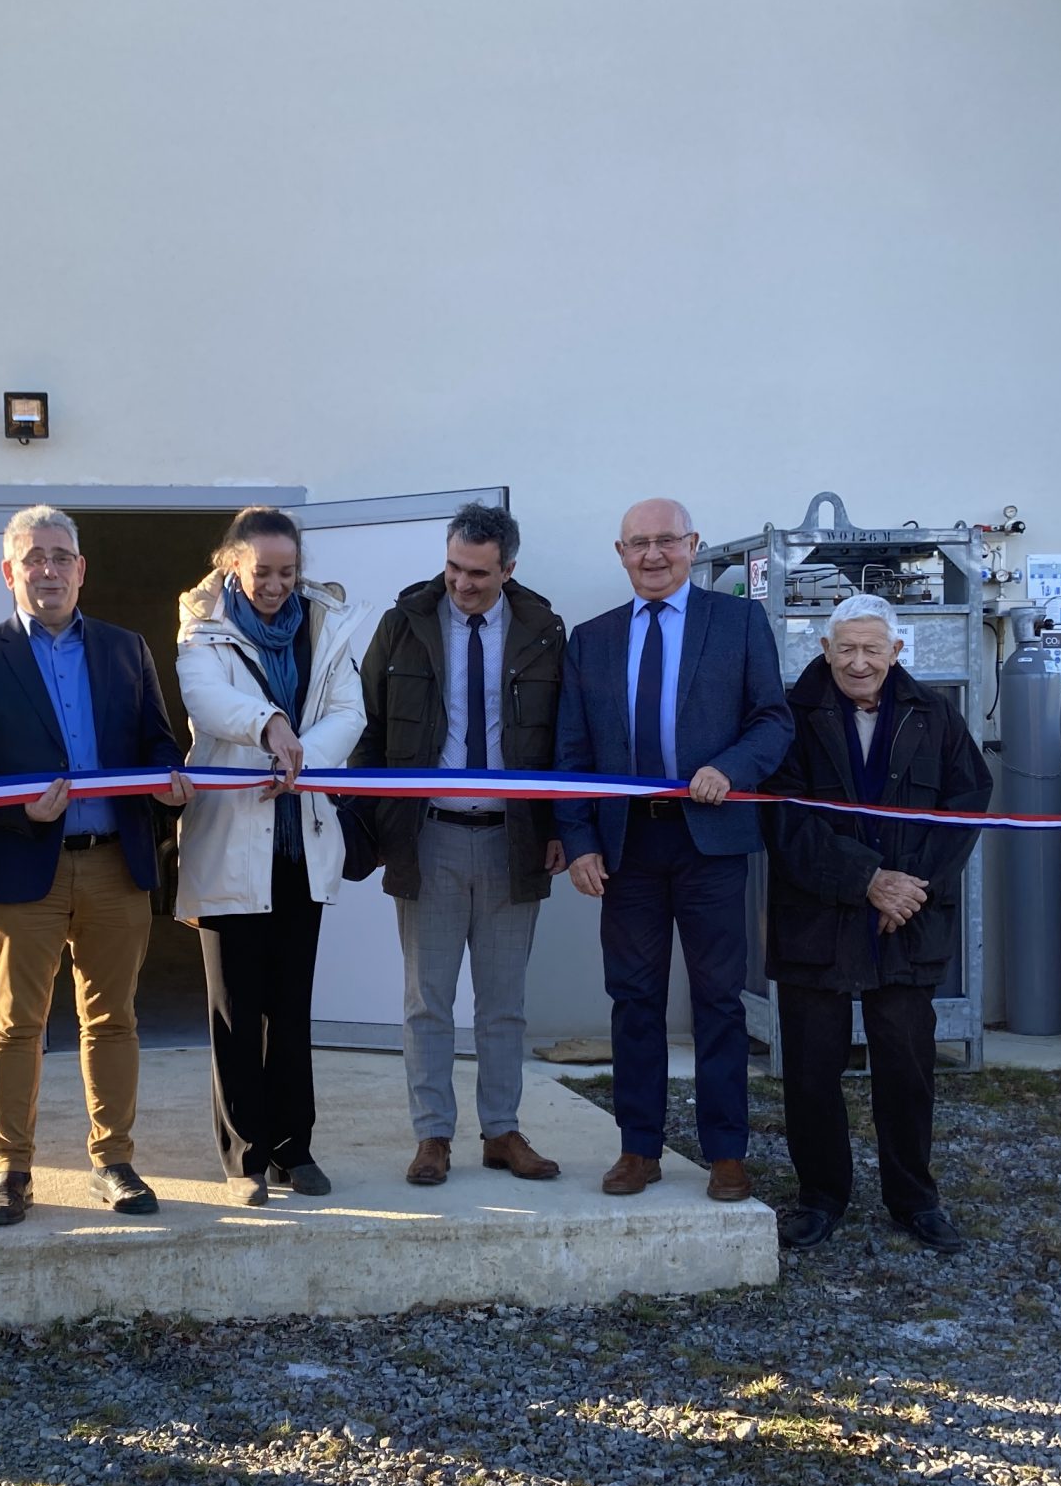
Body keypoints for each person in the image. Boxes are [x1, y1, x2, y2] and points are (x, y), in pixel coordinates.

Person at [0, 506, 194, 1229]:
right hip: (25, 866)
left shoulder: (124, 648)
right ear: (9, 571)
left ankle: (112, 1160)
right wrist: (23, 811)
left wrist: (168, 778)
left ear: (81, 569)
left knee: (112, 1019)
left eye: (60, 557)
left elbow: (156, 740)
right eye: (33, 558)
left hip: (115, 863)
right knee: (17, 1023)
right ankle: (11, 1170)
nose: (47, 570)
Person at [555, 497, 790, 1201]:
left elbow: (773, 720)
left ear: (693, 545)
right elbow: (570, 752)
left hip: (710, 840)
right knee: (633, 998)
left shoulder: (740, 622)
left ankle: (725, 1152)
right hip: (626, 845)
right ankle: (639, 1147)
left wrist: (732, 768)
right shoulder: (590, 641)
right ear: (620, 553)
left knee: (719, 1000)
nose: (653, 556)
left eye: (666, 542)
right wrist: (578, 841)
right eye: (638, 544)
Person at [351, 498, 569, 1187]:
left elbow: (567, 738)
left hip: (515, 841)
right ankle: (433, 1136)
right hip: (431, 838)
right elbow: (367, 732)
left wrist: (563, 829)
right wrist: (377, 827)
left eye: (478, 573)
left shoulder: (541, 630)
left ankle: (502, 1131)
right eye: (453, 567)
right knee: (427, 1002)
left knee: (503, 1003)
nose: (462, 584)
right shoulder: (404, 625)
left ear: (508, 567)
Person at [761, 594, 989, 1253]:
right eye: (846, 649)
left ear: (896, 652)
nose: (859, 662)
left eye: (872, 649)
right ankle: (820, 1196)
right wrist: (867, 880)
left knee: (907, 1065)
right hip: (818, 917)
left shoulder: (934, 716)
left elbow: (968, 802)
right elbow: (782, 820)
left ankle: (914, 1198)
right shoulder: (790, 718)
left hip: (906, 920)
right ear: (825, 651)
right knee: (810, 1068)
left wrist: (910, 889)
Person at [174, 507, 370, 1201]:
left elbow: (351, 712)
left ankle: (296, 1149)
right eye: (263, 572)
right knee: (235, 1008)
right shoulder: (202, 625)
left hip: (301, 843)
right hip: (231, 842)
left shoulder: (327, 624)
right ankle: (246, 1158)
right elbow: (206, 701)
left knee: (291, 1008)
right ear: (233, 563)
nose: (277, 584)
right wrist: (271, 726)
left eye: (288, 571)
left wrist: (300, 761)